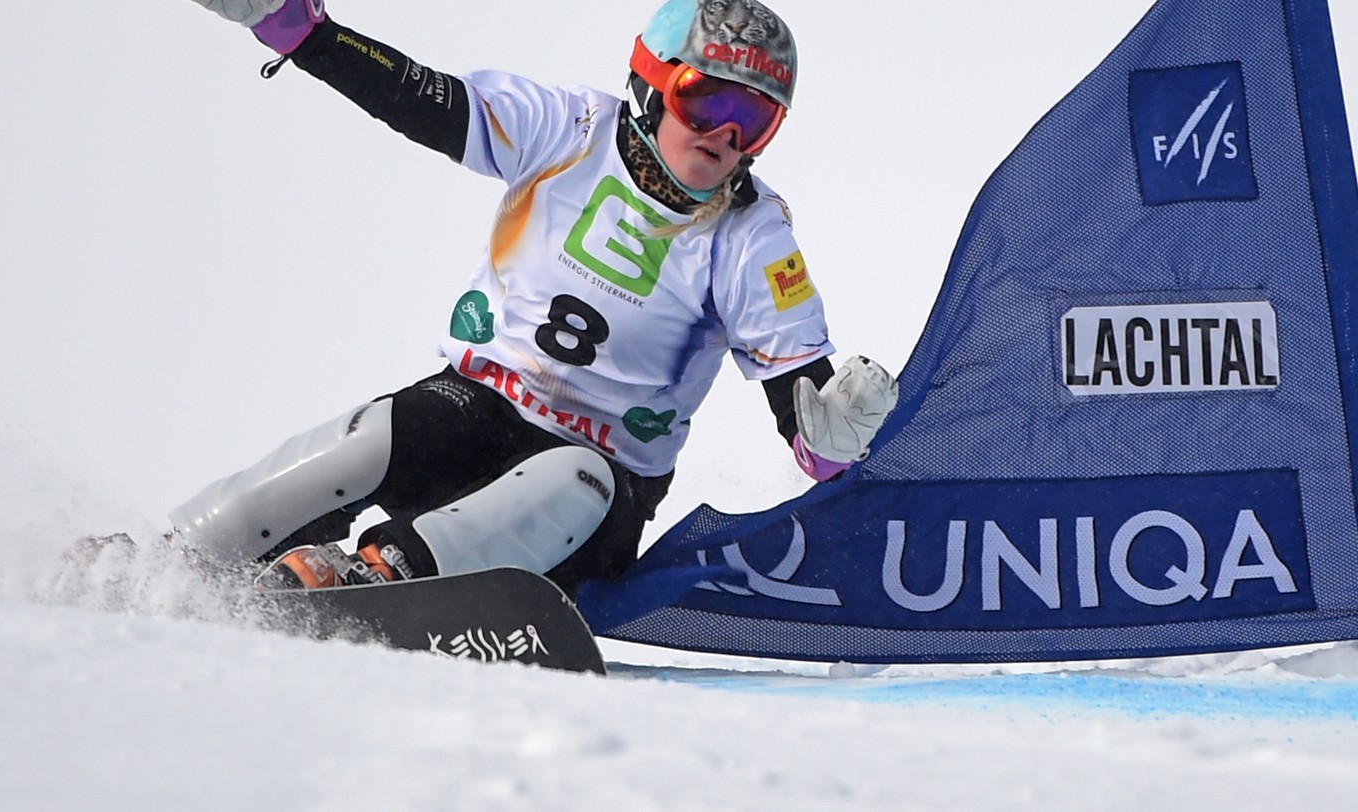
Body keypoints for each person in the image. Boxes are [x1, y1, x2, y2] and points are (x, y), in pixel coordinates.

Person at [172, 0, 899, 598]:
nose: (726, 136)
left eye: (755, 119)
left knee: (570, 475)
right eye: (705, 102)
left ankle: (375, 578)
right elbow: (427, 101)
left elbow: (801, 410)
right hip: (474, 411)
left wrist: (830, 442)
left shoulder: (753, 238)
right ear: (650, 83)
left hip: (595, 496)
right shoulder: (570, 130)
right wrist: (304, 33)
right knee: (372, 438)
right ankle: (174, 558)